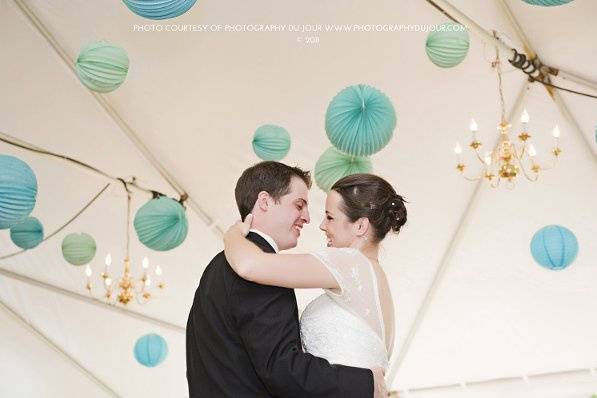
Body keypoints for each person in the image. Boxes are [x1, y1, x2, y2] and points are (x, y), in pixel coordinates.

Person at [186, 161, 387, 397]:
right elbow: (281, 368)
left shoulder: (218, 265)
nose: (309, 218)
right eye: (299, 205)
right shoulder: (261, 272)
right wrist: (364, 383)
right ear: (265, 201)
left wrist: (231, 237)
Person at [224, 172, 407, 380]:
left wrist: (232, 234)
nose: (321, 225)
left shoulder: (350, 262)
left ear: (360, 226)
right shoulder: (376, 279)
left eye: (330, 217)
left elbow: (249, 265)